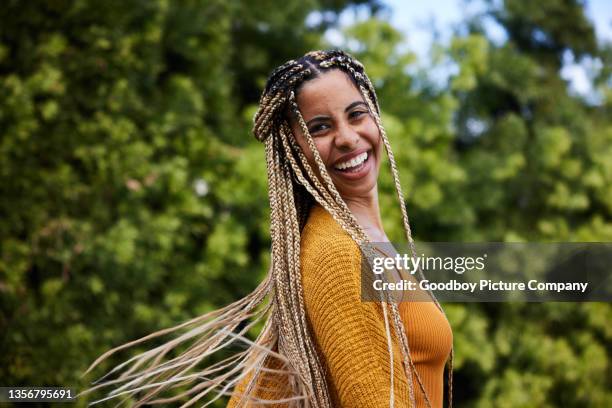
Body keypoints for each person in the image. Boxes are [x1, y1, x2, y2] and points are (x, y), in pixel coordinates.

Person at [81, 50, 453, 408]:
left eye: (356, 114)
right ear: (293, 150)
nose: (347, 137)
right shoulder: (339, 254)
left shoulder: (364, 240)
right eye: (320, 127)